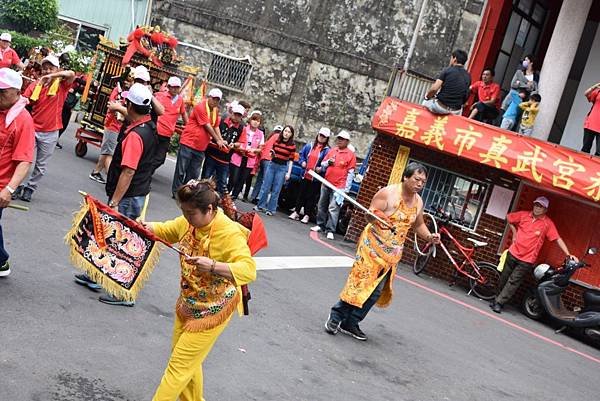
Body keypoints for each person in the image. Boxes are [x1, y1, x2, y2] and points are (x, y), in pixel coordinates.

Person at [147, 178, 256, 400]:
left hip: (214, 309)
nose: (186, 218)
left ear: (209, 209)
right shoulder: (189, 222)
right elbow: (166, 230)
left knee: (178, 366)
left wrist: (214, 266)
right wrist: (141, 225)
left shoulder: (228, 233)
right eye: (184, 212)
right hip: (189, 302)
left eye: (191, 213)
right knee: (186, 362)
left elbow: (249, 270)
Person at [324, 163, 440, 341]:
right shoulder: (388, 193)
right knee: (360, 283)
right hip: (371, 247)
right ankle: (336, 316)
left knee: (376, 291)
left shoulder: (418, 202)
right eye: (416, 179)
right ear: (405, 177)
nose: (419, 184)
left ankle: (351, 322)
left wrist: (429, 237)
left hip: (392, 253)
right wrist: (377, 217)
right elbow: (370, 214)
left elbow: (418, 225)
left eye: (423, 182)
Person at [74, 83, 158, 306]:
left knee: (123, 241)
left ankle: (122, 292)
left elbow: (128, 171)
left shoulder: (136, 135)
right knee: (111, 236)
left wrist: (115, 201)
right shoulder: (149, 125)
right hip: (137, 191)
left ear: (130, 104)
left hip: (129, 194)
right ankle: (96, 276)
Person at [489, 196, 576, 314]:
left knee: (513, 281)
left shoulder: (547, 224)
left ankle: (499, 303)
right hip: (513, 252)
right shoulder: (524, 215)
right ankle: (497, 299)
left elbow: (557, 239)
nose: (537, 208)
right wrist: (514, 233)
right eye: (536, 205)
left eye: (541, 206)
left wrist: (568, 254)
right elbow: (509, 218)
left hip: (527, 259)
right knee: (504, 278)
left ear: (545, 210)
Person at [13, 55, 75, 202]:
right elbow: (23, 101)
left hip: (51, 131)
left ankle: (30, 188)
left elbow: (71, 74)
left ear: (57, 69)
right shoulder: (36, 84)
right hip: (32, 129)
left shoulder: (62, 85)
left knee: (41, 165)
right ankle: (17, 186)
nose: (47, 70)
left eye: (51, 68)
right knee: (23, 159)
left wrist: (52, 76)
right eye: (45, 68)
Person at [0, 68, 35, 277]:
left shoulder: (22, 120)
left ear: (16, 92)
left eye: (3, 91)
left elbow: (24, 161)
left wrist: (9, 189)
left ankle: (2, 260)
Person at [172, 88, 225, 197]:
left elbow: (216, 126)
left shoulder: (215, 111)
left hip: (201, 146)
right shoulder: (200, 107)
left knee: (193, 173)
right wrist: (218, 140)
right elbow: (207, 126)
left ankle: (186, 193)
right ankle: (177, 192)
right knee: (181, 170)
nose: (215, 102)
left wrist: (221, 140)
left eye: (217, 100)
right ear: (209, 97)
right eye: (214, 99)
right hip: (189, 142)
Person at [310, 130, 356, 240]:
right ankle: (320, 224)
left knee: (333, 208)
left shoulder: (350, 155)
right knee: (322, 204)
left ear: (347, 141)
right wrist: (327, 163)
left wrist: (346, 189)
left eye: (342, 139)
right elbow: (322, 164)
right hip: (326, 182)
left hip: (339, 186)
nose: (339, 140)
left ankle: (330, 229)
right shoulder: (332, 150)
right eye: (338, 138)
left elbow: (350, 173)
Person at [89, 77, 130, 184]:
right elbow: (113, 107)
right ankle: (111, 179)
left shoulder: (124, 92)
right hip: (113, 124)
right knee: (109, 153)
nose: (130, 82)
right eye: (129, 80)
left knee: (107, 150)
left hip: (116, 125)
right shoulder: (118, 91)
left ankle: (96, 172)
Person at [289, 127, 330, 224]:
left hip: (315, 178)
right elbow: (301, 155)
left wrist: (321, 169)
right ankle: (296, 212)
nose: (321, 138)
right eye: (321, 135)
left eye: (324, 137)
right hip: (305, 175)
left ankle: (307, 214)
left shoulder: (327, 151)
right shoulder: (309, 146)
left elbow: (327, 163)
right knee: (301, 194)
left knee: (311, 197)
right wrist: (302, 162)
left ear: (327, 138)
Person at [202, 102, 245, 194]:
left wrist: (233, 145)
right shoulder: (221, 120)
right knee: (205, 177)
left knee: (222, 183)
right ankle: (199, 195)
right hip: (212, 154)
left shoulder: (242, 128)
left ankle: (221, 201)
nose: (236, 117)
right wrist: (220, 140)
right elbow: (212, 130)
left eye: (239, 115)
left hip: (225, 160)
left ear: (241, 117)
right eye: (235, 114)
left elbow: (241, 142)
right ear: (232, 113)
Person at [255, 125, 296, 216]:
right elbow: (271, 153)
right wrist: (272, 154)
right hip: (272, 164)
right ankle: (260, 205)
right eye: (285, 131)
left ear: (291, 134)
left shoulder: (292, 146)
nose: (286, 133)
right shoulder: (277, 141)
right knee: (266, 186)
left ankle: (271, 209)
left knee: (276, 189)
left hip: (282, 168)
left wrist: (288, 173)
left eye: (289, 132)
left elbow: (291, 160)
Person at [153, 76, 188, 171]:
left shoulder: (180, 100)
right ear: (168, 86)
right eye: (173, 87)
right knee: (149, 154)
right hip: (155, 130)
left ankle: (145, 173)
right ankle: (144, 177)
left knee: (160, 159)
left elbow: (183, 113)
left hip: (167, 134)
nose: (175, 89)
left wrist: (188, 126)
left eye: (177, 87)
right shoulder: (159, 96)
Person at [423, 49, 471, 115]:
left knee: (426, 100)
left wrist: (427, 97)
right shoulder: (468, 76)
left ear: (455, 59)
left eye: (451, 58)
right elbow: (466, 94)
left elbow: (434, 89)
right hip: (456, 111)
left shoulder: (447, 70)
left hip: (440, 108)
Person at [229, 110, 264, 200]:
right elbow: (237, 141)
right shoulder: (243, 128)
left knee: (242, 179)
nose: (255, 122)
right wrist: (240, 148)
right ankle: (227, 193)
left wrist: (254, 150)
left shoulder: (261, 134)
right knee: (234, 178)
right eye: (254, 119)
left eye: (258, 121)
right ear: (250, 120)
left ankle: (234, 196)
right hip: (238, 155)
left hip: (250, 159)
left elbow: (260, 149)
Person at [250, 124, 283, 203]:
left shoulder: (270, 137)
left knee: (260, 179)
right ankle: (259, 198)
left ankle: (253, 196)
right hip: (269, 159)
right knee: (266, 180)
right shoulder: (278, 137)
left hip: (263, 158)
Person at [582, 82, 600, 156]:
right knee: (585, 149)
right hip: (591, 124)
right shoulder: (598, 91)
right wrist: (595, 86)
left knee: (599, 153)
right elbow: (586, 93)